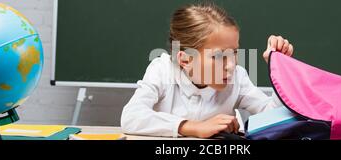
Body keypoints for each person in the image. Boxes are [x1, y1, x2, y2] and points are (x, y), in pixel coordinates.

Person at [121, 3, 294, 138]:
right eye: (219, 57)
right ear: (185, 59)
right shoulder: (162, 70)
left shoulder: (237, 77)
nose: (231, 65)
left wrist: (280, 68)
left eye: (234, 52)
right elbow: (131, 117)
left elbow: (275, 118)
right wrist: (193, 127)